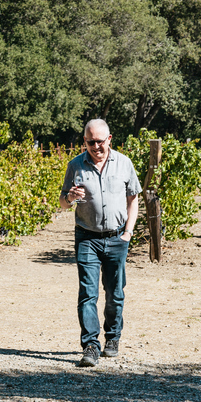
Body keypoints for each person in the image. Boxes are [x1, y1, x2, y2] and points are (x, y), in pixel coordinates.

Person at [59, 119, 141, 367]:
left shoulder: (124, 163)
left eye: (100, 141)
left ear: (109, 139)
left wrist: (128, 232)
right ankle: (91, 346)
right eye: (90, 142)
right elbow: (62, 201)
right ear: (84, 141)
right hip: (87, 237)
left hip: (117, 238)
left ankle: (113, 337)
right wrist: (70, 197)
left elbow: (133, 199)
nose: (95, 146)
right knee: (88, 294)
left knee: (115, 293)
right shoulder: (75, 165)